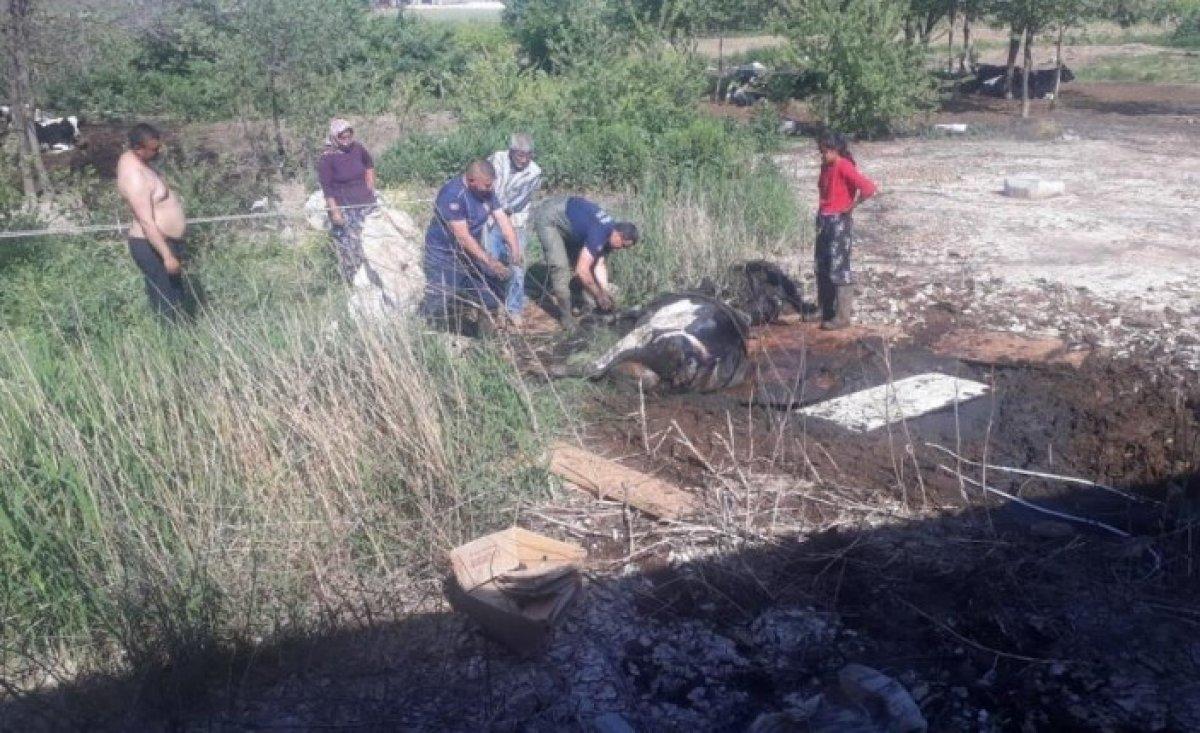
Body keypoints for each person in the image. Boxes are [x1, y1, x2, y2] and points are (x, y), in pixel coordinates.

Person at [421, 159, 522, 328]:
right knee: (440, 299)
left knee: (492, 290)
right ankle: (430, 331)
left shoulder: (487, 192)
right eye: (487, 185)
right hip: (443, 255)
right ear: (472, 181)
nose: (491, 189)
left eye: (492, 185)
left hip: (468, 253)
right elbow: (463, 237)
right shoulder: (452, 195)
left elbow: (502, 219)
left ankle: (484, 336)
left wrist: (515, 250)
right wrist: (490, 262)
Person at [116, 123, 194, 321]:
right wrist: (167, 256)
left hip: (164, 242)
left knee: (177, 300)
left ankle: (183, 344)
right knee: (167, 305)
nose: (158, 152)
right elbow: (146, 221)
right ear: (138, 149)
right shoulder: (135, 176)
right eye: (154, 149)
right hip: (154, 246)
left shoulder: (142, 163)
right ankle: (172, 346)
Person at [531, 195, 639, 329]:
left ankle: (587, 306)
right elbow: (581, 269)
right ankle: (566, 318)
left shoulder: (610, 234)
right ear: (618, 235)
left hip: (571, 220)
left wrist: (603, 292)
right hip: (551, 218)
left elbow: (598, 264)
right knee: (560, 268)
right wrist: (598, 294)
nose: (621, 249)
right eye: (623, 245)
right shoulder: (600, 232)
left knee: (589, 266)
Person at [814, 131, 877, 330]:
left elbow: (868, 187)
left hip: (839, 221)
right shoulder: (826, 166)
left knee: (839, 267)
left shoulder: (843, 165)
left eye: (826, 150)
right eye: (821, 150)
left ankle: (842, 317)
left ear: (836, 149)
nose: (823, 154)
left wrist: (852, 205)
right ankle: (825, 309)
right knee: (821, 265)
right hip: (824, 219)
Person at [486, 133, 542, 325]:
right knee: (490, 260)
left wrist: (499, 212)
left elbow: (516, 203)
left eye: (528, 155)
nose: (524, 159)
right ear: (511, 152)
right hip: (489, 218)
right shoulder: (496, 159)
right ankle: (491, 306)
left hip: (514, 218)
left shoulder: (534, 172)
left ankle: (514, 308)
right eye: (520, 155)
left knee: (516, 264)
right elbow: (487, 184)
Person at [317, 118, 381, 286]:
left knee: (372, 241)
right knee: (351, 248)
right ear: (334, 137)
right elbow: (327, 188)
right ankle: (354, 284)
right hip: (345, 208)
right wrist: (335, 211)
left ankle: (374, 280)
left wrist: (370, 186)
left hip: (366, 203)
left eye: (348, 135)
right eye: (342, 136)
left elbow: (369, 164)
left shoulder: (358, 149)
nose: (346, 139)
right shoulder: (327, 158)